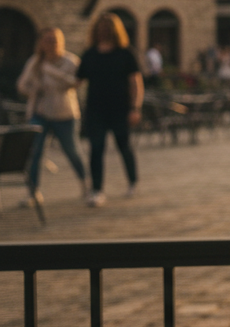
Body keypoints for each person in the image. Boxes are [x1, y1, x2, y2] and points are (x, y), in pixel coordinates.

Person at [17, 28, 89, 207]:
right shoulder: (35, 62)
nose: (51, 44)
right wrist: (33, 90)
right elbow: (22, 85)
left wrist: (52, 72)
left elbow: (77, 82)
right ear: (41, 43)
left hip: (65, 114)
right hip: (40, 113)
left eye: (54, 40)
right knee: (35, 153)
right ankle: (33, 192)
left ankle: (86, 184)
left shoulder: (70, 61)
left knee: (71, 150)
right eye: (47, 40)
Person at [77, 13, 143, 205]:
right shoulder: (90, 54)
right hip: (96, 109)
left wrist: (135, 108)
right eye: (100, 29)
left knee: (124, 146)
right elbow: (77, 80)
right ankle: (97, 190)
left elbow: (135, 82)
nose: (103, 33)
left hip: (120, 108)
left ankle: (132, 181)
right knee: (96, 148)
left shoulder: (126, 53)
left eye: (107, 29)